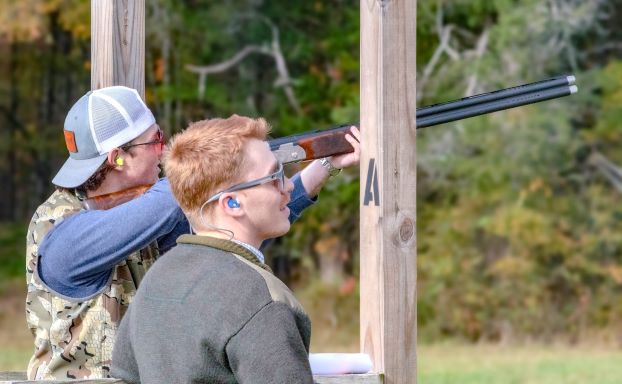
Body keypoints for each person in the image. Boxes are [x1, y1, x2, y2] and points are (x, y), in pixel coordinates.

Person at [25, 86, 361, 380]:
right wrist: (223, 165)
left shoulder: (145, 213)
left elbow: (229, 229)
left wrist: (322, 166)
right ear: (118, 158)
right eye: (155, 140)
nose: (164, 148)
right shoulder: (60, 235)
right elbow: (193, 197)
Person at [112, 115, 327, 383]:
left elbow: (123, 375)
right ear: (232, 204)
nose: (288, 186)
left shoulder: (156, 279)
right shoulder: (259, 300)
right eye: (274, 177)